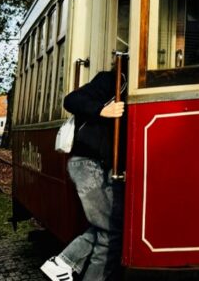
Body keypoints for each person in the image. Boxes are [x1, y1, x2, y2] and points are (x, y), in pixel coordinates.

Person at [41, 70, 126, 281]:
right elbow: (71, 100)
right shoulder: (114, 79)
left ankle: (62, 262)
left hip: (102, 167)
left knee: (108, 227)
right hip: (88, 165)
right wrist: (101, 110)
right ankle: (64, 262)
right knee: (111, 232)